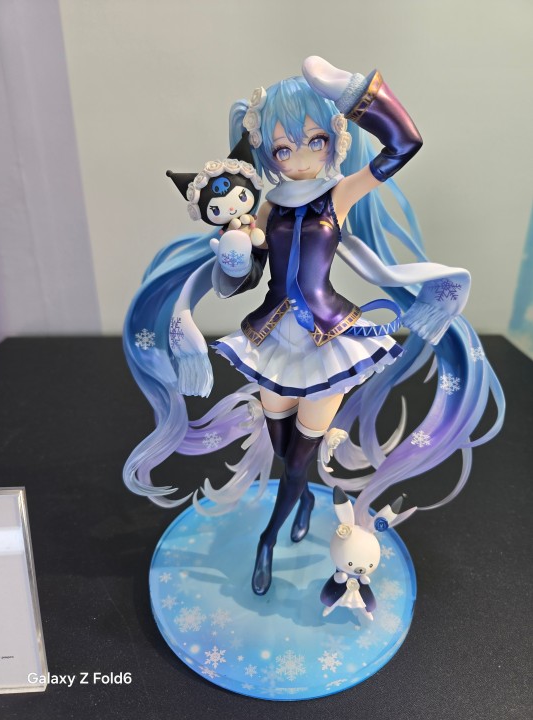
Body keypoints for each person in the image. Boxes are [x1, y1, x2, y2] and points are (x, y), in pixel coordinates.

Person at [123, 57, 504, 596]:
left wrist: (355, 91)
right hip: (271, 341)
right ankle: (301, 500)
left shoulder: (339, 194)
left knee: (300, 457)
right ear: (267, 153)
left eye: (315, 140)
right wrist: (233, 258)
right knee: (285, 448)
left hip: (328, 343)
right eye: (283, 149)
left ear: (333, 140)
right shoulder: (264, 207)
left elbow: (405, 145)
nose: (301, 157)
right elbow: (242, 280)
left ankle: (268, 540)